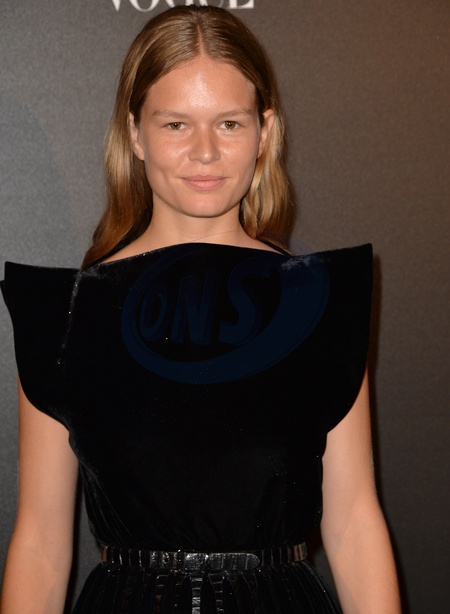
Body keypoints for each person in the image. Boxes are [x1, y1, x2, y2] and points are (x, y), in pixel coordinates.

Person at [0, 6, 401, 613]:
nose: (206, 151)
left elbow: (353, 524)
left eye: (230, 123)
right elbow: (40, 547)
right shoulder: (69, 315)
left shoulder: (316, 302)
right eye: (176, 124)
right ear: (135, 133)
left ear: (265, 131)